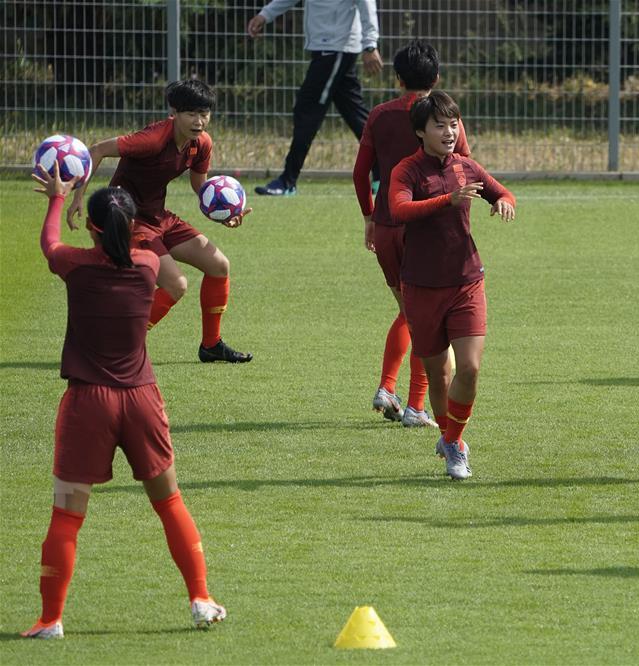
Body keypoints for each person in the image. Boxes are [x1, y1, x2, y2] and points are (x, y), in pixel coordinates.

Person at [22, 169, 225, 639]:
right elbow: (160, 267)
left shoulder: (74, 264)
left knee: (67, 514)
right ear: (133, 229)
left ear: (92, 229)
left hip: (87, 404)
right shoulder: (148, 266)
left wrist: (58, 199)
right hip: (141, 400)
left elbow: (50, 244)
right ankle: (200, 598)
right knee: (169, 502)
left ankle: (51, 619)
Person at [66, 79, 252, 364]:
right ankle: (115, 344)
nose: (199, 121)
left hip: (159, 216)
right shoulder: (151, 140)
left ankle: (211, 345)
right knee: (176, 285)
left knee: (219, 265)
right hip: (129, 219)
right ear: (174, 112)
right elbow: (96, 150)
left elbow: (200, 186)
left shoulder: (200, 144)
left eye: (204, 114)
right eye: (191, 113)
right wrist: (79, 196)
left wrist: (223, 211)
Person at [389, 92, 516, 480]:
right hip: (422, 287)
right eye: (440, 125)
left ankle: (454, 445)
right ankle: (450, 439)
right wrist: (448, 200)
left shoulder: (467, 167)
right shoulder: (407, 171)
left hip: (466, 281)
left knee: (470, 367)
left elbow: (502, 191)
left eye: (454, 124)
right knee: (439, 375)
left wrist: (505, 202)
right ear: (420, 132)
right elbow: (399, 209)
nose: (449, 132)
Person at [353, 40, 471, 428]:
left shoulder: (380, 115)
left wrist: (370, 216)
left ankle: (389, 388)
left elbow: (360, 173)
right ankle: (417, 407)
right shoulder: (445, 119)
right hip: (426, 231)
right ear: (436, 76)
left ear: (397, 77)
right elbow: (464, 165)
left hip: (388, 226)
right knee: (425, 319)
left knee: (410, 311)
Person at [248, 0, 382, 196]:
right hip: (328, 49)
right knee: (356, 116)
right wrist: (265, 14)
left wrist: (370, 45)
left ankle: (287, 181)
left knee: (307, 111)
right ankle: (383, 174)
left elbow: (366, 4)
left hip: (335, 48)